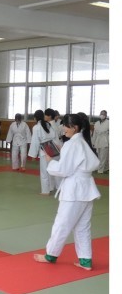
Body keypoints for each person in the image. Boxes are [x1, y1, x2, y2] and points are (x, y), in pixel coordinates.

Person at [33, 112, 100, 272]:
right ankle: (85, 260)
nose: (63, 128)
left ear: (74, 127)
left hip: (74, 191)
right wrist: (63, 152)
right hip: (86, 190)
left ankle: (50, 255)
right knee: (83, 227)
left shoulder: (72, 144)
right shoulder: (83, 142)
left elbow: (64, 170)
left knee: (62, 224)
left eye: (65, 125)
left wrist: (50, 161)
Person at [28, 109, 61, 195]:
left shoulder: (36, 127)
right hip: (53, 148)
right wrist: (59, 148)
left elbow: (35, 142)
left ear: (35, 118)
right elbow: (55, 137)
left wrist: (33, 155)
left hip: (44, 150)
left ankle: (45, 191)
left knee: (44, 171)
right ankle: (57, 188)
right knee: (55, 169)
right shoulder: (49, 124)